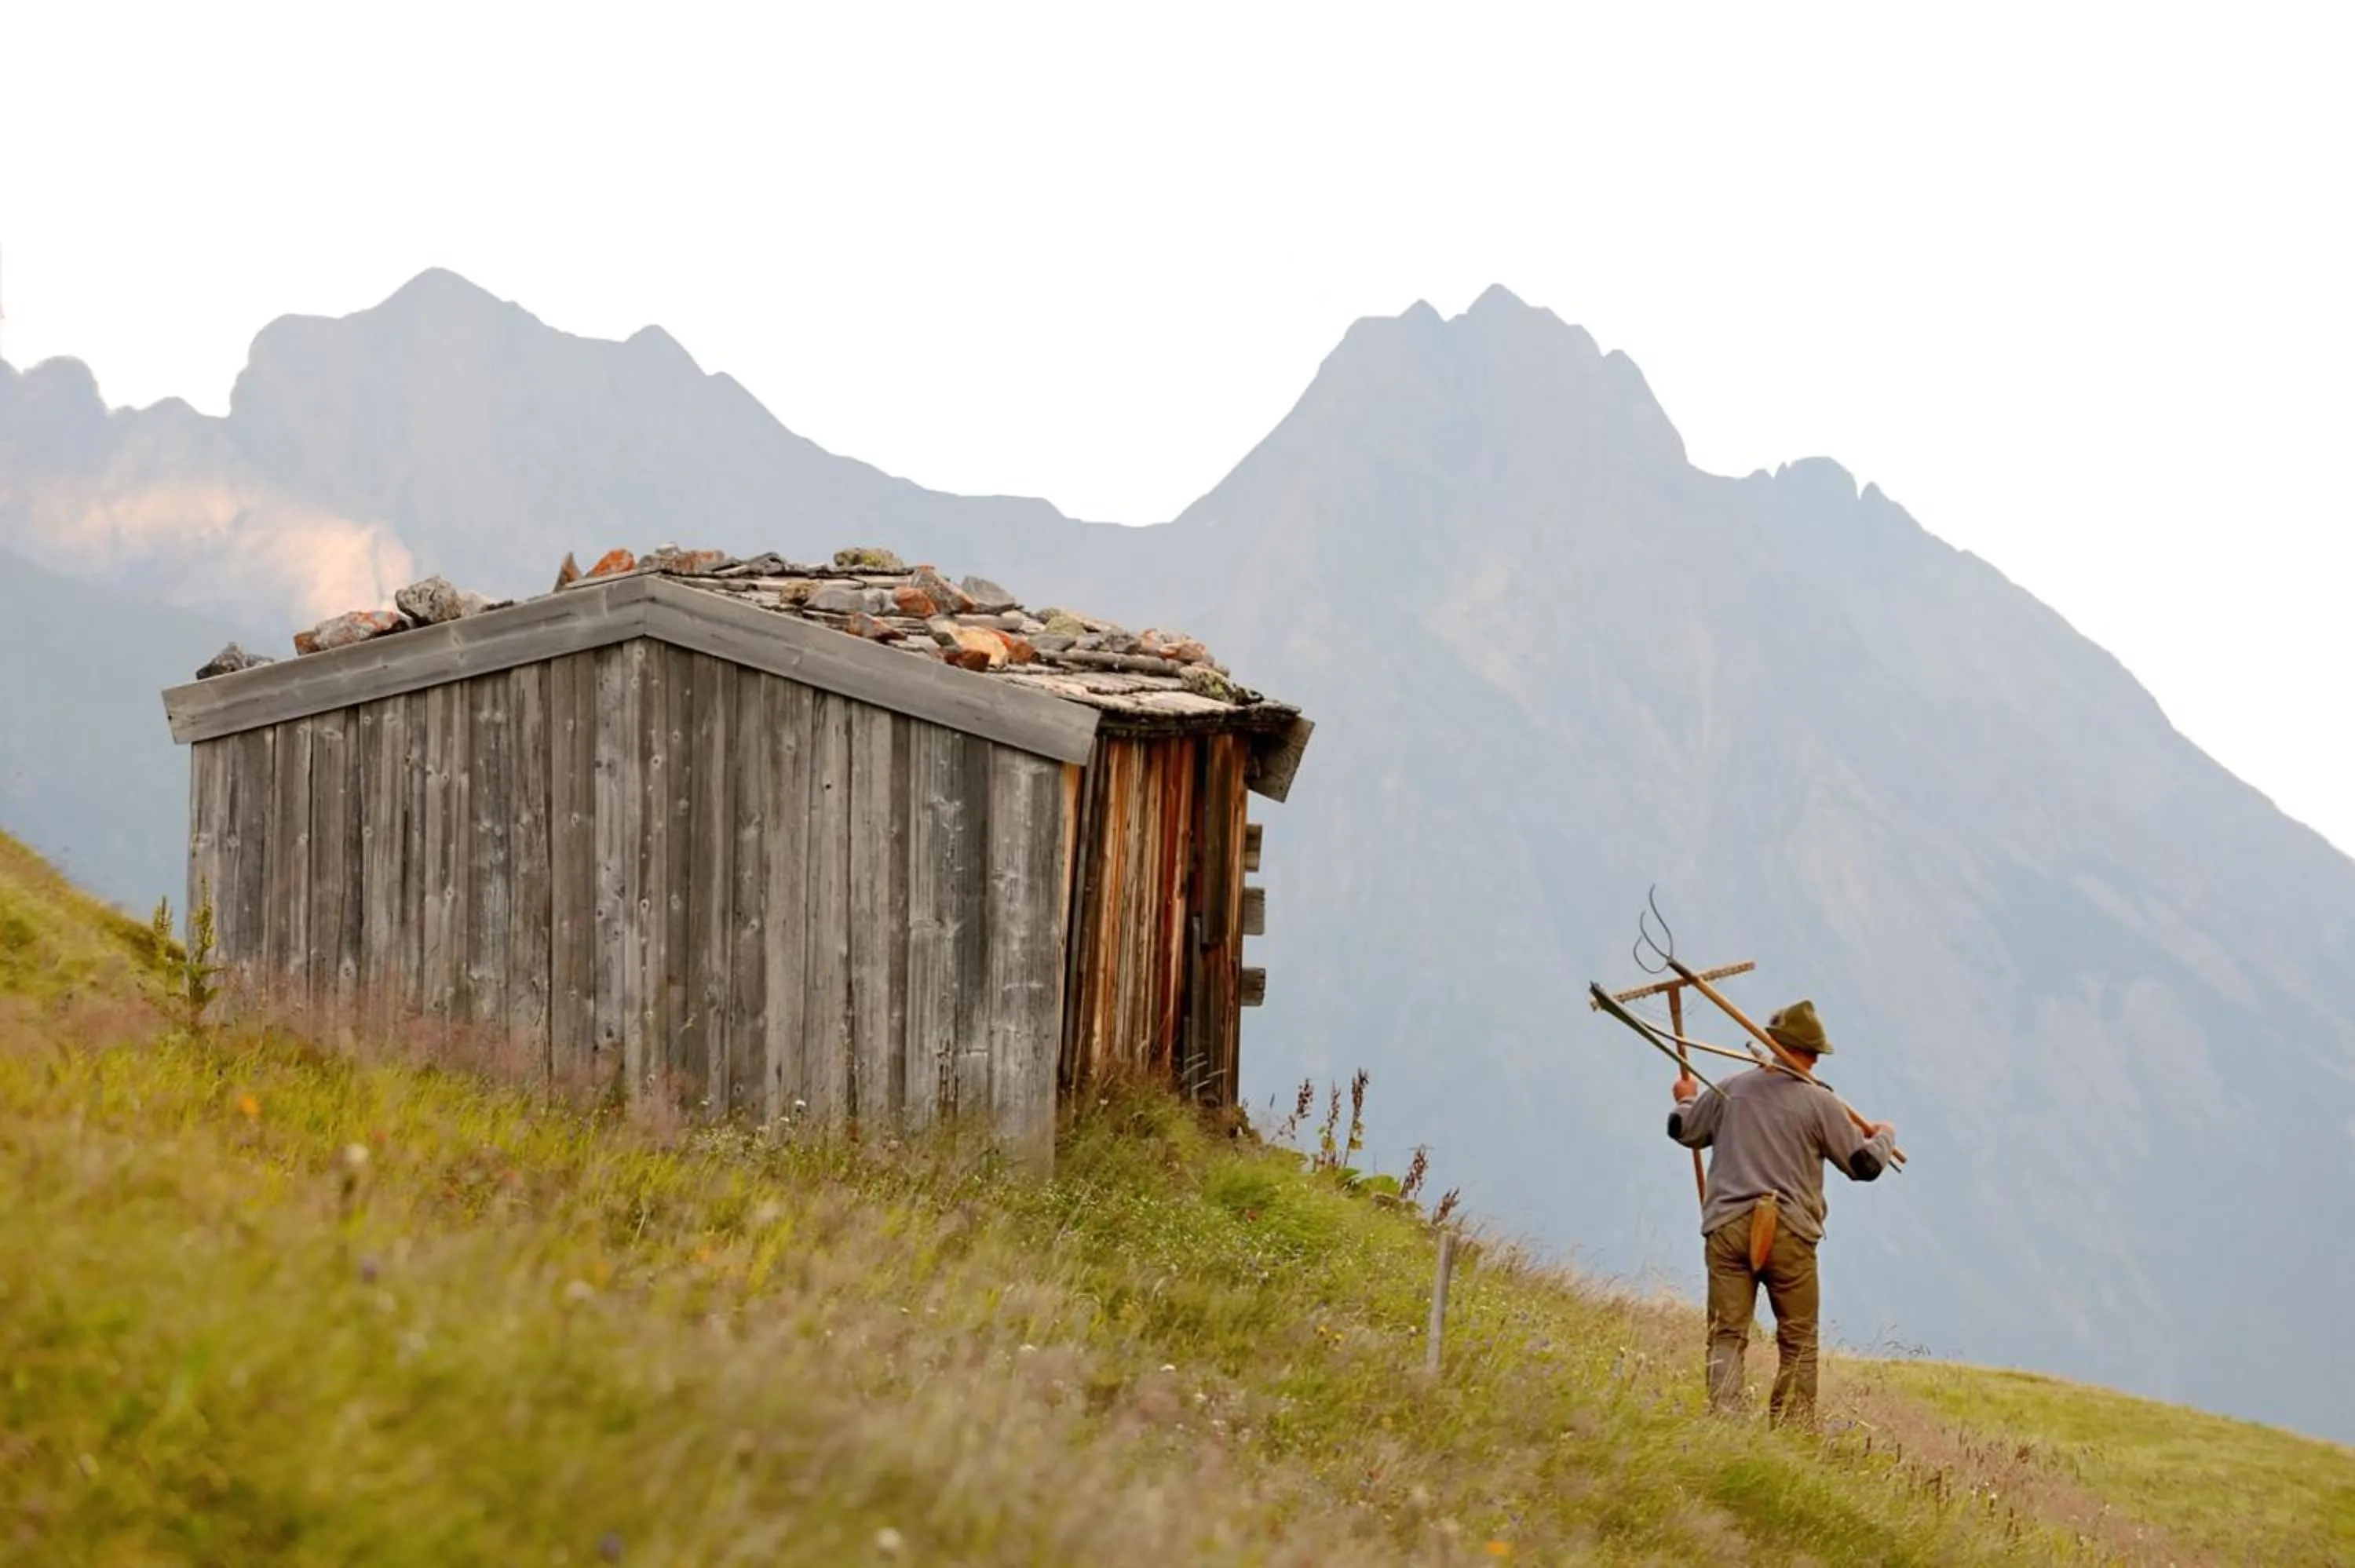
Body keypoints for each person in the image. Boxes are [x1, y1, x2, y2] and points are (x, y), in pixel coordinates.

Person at [1667, 998, 1896, 1429]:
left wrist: (1685, 1099)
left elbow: (1683, 1130)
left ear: (1774, 1046)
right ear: (1814, 1054)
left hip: (1728, 1227)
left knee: (1726, 1334)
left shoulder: (1730, 1088)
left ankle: (1726, 1426)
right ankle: (1790, 1432)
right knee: (1798, 1342)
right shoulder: (1822, 1104)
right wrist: (1883, 1136)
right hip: (1790, 1232)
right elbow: (1864, 1167)